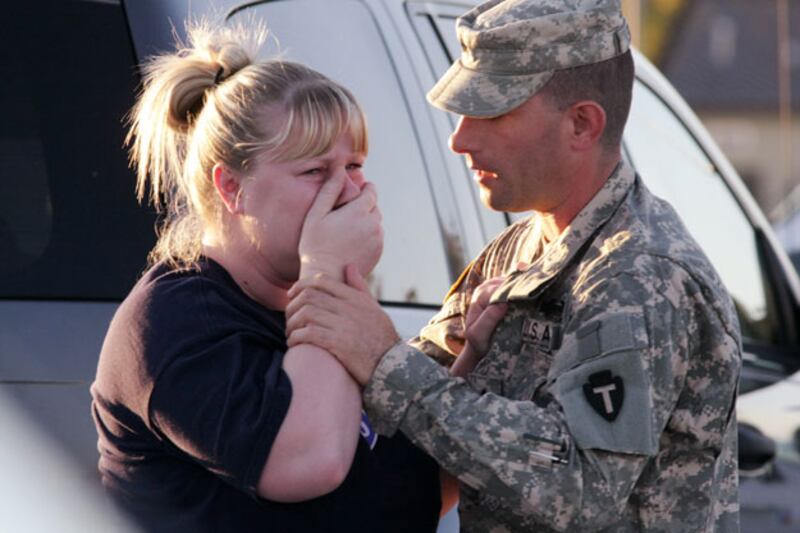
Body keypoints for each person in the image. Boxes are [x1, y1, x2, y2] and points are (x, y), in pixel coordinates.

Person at [285, 0, 743, 531]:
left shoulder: (639, 274)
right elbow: (394, 409)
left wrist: (388, 362)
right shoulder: (519, 250)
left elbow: (578, 485)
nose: (460, 140)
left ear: (581, 124)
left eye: (491, 113)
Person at [90, 21, 440, 533]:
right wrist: (328, 274)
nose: (348, 192)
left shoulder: (315, 306)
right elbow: (308, 461)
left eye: (356, 165)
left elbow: (409, 495)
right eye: (315, 172)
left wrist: (465, 356)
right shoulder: (176, 323)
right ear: (232, 188)